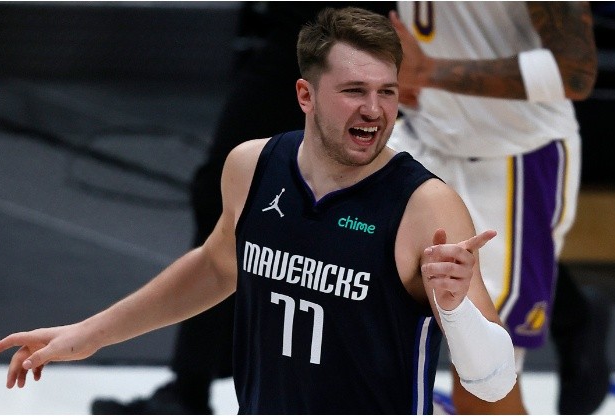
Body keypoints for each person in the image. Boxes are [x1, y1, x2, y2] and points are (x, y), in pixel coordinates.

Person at [0, 7, 519, 414]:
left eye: (386, 91)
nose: (374, 110)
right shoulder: (252, 165)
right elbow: (219, 265)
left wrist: (457, 311)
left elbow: (493, 383)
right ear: (305, 95)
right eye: (354, 90)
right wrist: (91, 333)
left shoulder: (424, 204)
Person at [90, 3, 396, 414]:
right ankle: (193, 385)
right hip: (300, 33)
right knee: (228, 203)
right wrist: (90, 334)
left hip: (365, 41)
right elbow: (217, 262)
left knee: (355, 220)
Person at [386, 2, 610, 414]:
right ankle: (574, 310)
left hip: (510, 159)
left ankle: (575, 316)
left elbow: (575, 71)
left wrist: (430, 72)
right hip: (418, 137)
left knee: (482, 383)